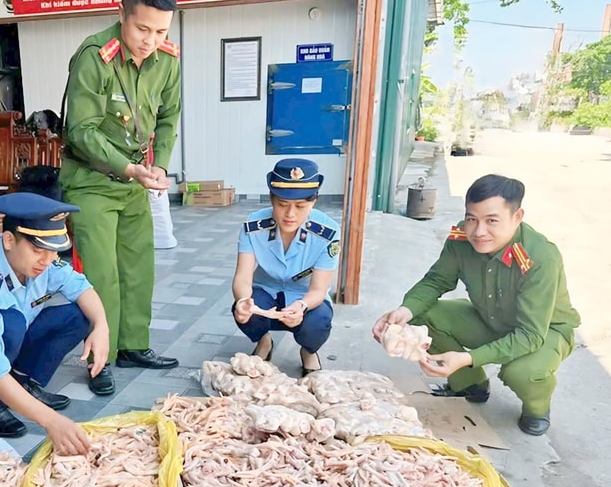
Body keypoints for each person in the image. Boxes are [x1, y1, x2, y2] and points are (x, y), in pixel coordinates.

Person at [372, 174, 580, 436]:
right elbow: (437, 280)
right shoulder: (462, 238)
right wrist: (404, 311)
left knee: (522, 372)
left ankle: (537, 407)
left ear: (517, 217)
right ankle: (471, 385)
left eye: (492, 220)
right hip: (490, 318)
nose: (479, 231)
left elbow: (530, 335)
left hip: (544, 331)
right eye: (472, 218)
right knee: (422, 315)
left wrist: (468, 358)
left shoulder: (539, 257)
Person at [60, 0, 181, 390]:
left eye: (161, 31)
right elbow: (81, 131)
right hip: (90, 181)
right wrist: (129, 168)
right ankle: (102, 358)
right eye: (143, 28)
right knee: (102, 274)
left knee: (138, 267)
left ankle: (132, 345)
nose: (151, 40)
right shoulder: (95, 57)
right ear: (122, 13)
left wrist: (159, 165)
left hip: (133, 181)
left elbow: (169, 117)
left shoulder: (167, 60)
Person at [0, 193, 108, 455]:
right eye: (38, 250)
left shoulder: (42, 260)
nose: (46, 260)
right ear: (8, 240)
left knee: (78, 315)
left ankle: (23, 384)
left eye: (53, 251)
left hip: (10, 333)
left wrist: (101, 327)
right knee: (11, 322)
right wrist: (51, 422)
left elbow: (81, 287)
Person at [232, 159, 339, 376]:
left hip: (304, 296)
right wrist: (243, 301)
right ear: (271, 199)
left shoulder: (328, 232)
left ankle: (309, 351)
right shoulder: (254, 226)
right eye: (282, 204)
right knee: (244, 309)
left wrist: (302, 306)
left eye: (300, 206)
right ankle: (264, 342)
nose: (290, 214)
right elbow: (243, 278)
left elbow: (318, 289)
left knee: (318, 322)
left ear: (314, 201)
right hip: (266, 291)